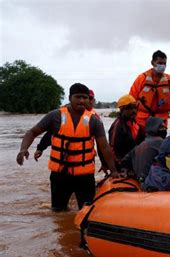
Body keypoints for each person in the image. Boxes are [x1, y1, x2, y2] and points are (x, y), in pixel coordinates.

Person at [16, 83, 119, 211]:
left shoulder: (94, 121)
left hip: (84, 176)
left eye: (85, 97)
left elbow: (104, 148)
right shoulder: (55, 116)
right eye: (78, 97)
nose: (82, 100)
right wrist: (23, 149)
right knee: (58, 213)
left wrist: (113, 171)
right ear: (70, 98)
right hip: (60, 175)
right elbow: (32, 132)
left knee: (87, 211)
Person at [129, 50, 170, 130]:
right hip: (142, 122)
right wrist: (129, 118)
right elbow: (131, 98)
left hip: (161, 122)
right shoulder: (142, 78)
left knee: (160, 141)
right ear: (152, 63)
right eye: (160, 63)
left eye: (164, 63)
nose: (162, 66)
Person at [34, 89, 99, 161]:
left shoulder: (95, 118)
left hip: (84, 160)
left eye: (89, 98)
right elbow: (50, 133)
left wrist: (104, 162)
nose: (83, 100)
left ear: (93, 100)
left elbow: (101, 143)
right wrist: (40, 148)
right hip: (64, 158)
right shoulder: (63, 114)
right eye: (80, 98)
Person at [121, 117, 166, 182]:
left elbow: (124, 161)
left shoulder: (138, 146)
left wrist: (125, 170)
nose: (165, 129)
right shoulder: (161, 143)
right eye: (161, 127)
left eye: (165, 127)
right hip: (154, 182)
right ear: (154, 128)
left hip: (140, 181)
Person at [108, 95, 145, 170]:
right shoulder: (117, 126)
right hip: (122, 165)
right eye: (130, 108)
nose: (134, 111)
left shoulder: (136, 124)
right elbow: (112, 149)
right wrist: (121, 166)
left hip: (135, 163)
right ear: (122, 109)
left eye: (135, 108)